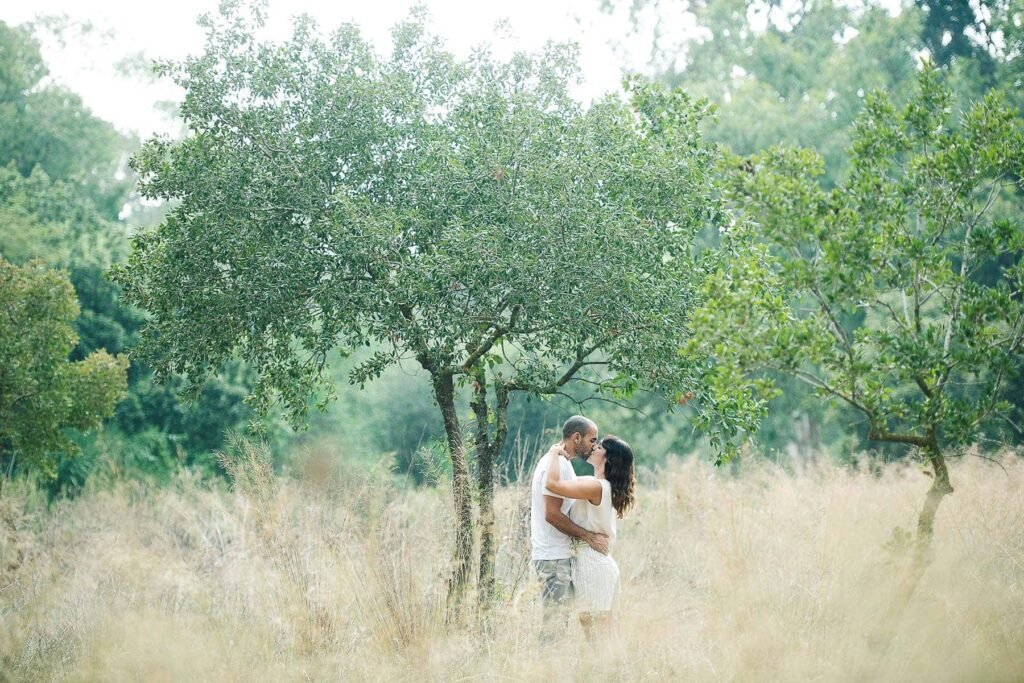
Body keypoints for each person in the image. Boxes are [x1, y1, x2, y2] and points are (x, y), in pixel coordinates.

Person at [544, 434, 636, 640]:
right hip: (599, 562)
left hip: (593, 562)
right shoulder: (596, 484)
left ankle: (607, 671)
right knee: (602, 633)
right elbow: (570, 481)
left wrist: (553, 454)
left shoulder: (597, 487)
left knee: (596, 635)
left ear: (608, 458)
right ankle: (611, 671)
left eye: (600, 447)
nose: (594, 447)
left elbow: (552, 484)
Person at [530, 416, 609, 633]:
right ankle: (544, 667)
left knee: (559, 624)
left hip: (557, 555)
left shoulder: (562, 463)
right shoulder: (556, 465)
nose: (594, 445)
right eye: (592, 440)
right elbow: (552, 515)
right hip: (552, 557)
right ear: (577, 437)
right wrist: (589, 537)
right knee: (554, 628)